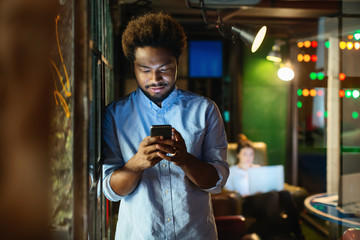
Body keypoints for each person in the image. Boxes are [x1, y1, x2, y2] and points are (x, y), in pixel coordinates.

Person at [101, 12, 229, 240]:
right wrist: (136, 164)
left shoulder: (205, 110)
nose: (155, 78)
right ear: (134, 68)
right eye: (145, 69)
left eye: (164, 68)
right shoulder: (115, 114)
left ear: (177, 63)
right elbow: (112, 192)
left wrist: (185, 160)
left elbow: (216, 183)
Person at [225, 134, 304, 240]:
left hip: (265, 199)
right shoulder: (232, 172)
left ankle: (298, 234)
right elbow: (227, 191)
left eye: (251, 154)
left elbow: (267, 185)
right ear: (238, 154)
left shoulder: (258, 168)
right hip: (246, 202)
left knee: (285, 194)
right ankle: (280, 234)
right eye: (245, 154)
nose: (248, 157)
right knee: (272, 196)